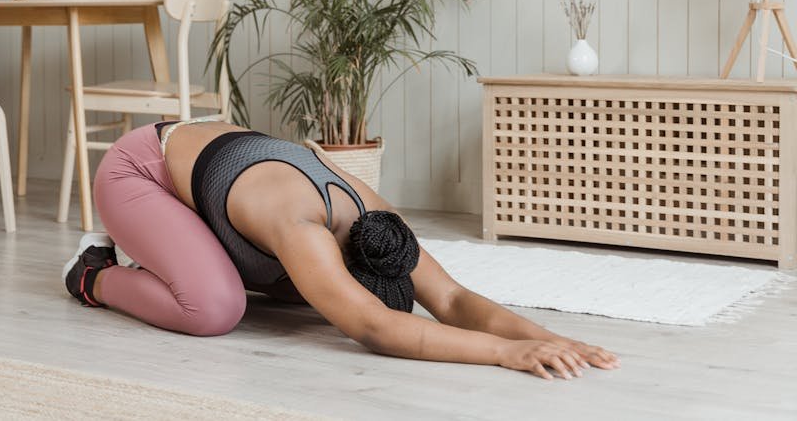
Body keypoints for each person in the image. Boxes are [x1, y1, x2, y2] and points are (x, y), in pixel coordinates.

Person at [62, 118, 620, 380]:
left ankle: (175, 251)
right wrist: (504, 354)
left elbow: (449, 299)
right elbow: (375, 327)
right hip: (144, 170)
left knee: (304, 300)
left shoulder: (379, 220)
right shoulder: (302, 228)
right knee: (214, 309)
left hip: (218, 178)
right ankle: (95, 272)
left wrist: (547, 339)